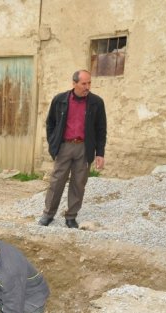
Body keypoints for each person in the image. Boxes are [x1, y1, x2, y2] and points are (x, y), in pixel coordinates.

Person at [39, 69, 107, 229]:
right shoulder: (60, 100)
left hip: (84, 148)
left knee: (78, 183)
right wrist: (53, 143)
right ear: (74, 83)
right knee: (56, 182)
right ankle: (48, 214)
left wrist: (100, 153)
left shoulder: (96, 102)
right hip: (64, 147)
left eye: (89, 83)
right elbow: (50, 124)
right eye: (84, 83)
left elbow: (101, 129)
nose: (87, 86)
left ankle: (71, 217)